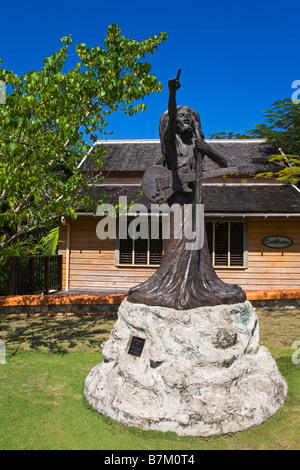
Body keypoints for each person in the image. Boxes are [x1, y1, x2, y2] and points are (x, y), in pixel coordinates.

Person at [127, 75, 246, 309]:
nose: (186, 120)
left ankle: (199, 284)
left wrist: (206, 147)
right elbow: (170, 118)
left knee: (198, 244)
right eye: (182, 117)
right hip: (178, 201)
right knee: (177, 242)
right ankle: (170, 286)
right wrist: (172, 94)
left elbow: (223, 164)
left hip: (194, 201)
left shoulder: (196, 145)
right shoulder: (171, 143)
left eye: (189, 117)